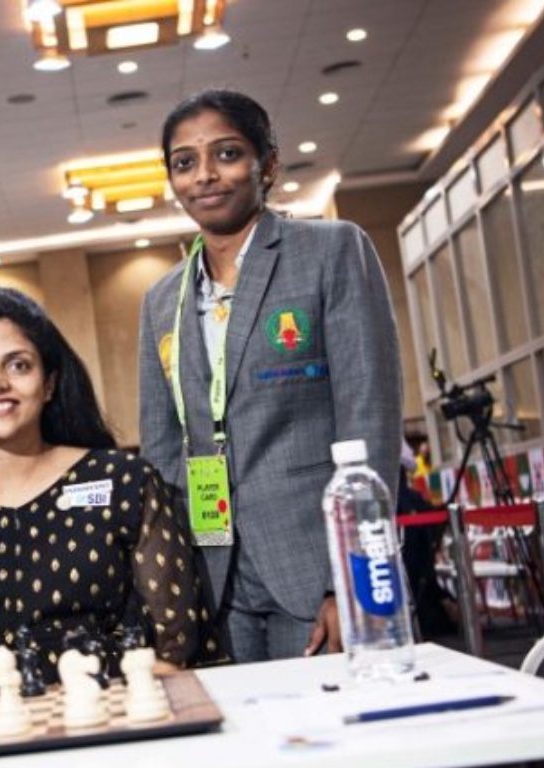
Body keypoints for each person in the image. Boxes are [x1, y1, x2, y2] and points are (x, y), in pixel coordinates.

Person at [138, 89, 402, 663]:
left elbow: (369, 414)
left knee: (332, 715)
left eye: (227, 154)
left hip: (315, 563)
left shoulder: (330, 250)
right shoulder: (162, 299)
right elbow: (161, 450)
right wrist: (170, 584)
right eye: (184, 162)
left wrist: (353, 575)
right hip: (213, 574)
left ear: (269, 165)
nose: (204, 175)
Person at [0, 286, 223, 691]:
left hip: (113, 715)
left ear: (49, 382)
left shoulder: (124, 483)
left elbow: (176, 649)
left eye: (18, 365)